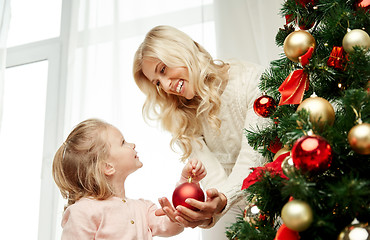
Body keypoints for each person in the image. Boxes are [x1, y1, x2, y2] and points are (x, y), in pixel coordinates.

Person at [132, 25, 268, 239]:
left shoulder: (250, 79)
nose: (166, 86)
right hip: (234, 210)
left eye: (163, 69)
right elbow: (213, 179)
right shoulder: (181, 114)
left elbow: (254, 155)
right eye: (157, 82)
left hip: (280, 193)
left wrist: (221, 200)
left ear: (180, 50)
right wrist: (210, 210)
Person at [52, 118, 206, 239]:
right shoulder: (83, 211)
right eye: (123, 142)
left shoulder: (143, 209)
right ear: (108, 167)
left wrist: (187, 183)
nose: (132, 145)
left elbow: (172, 223)